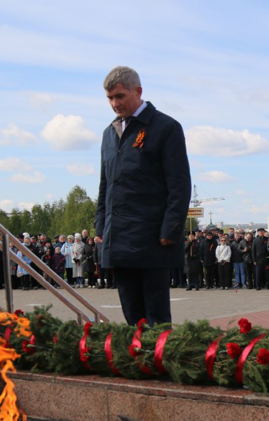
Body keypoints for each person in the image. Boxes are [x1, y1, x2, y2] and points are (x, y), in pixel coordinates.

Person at [95, 66, 191, 326]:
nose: (115, 104)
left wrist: (170, 230)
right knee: (132, 316)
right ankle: (138, 361)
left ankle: (159, 362)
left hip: (152, 239)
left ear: (138, 91)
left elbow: (180, 186)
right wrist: (101, 224)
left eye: (120, 96)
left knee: (156, 318)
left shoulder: (166, 127)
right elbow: (106, 184)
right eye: (110, 98)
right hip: (119, 239)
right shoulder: (109, 133)